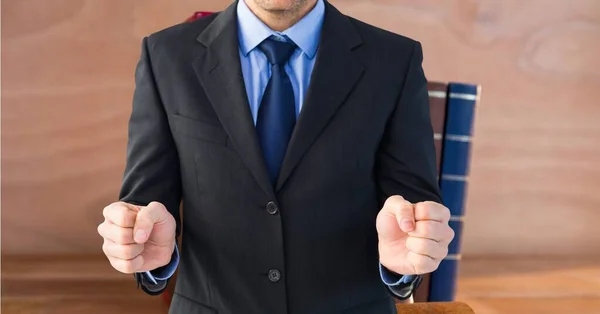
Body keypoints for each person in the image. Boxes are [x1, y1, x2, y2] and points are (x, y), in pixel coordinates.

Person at [96, 0, 455, 313]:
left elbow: (411, 209)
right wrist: (145, 250)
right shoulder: (165, 55)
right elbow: (146, 208)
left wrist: (404, 264)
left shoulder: (395, 60)